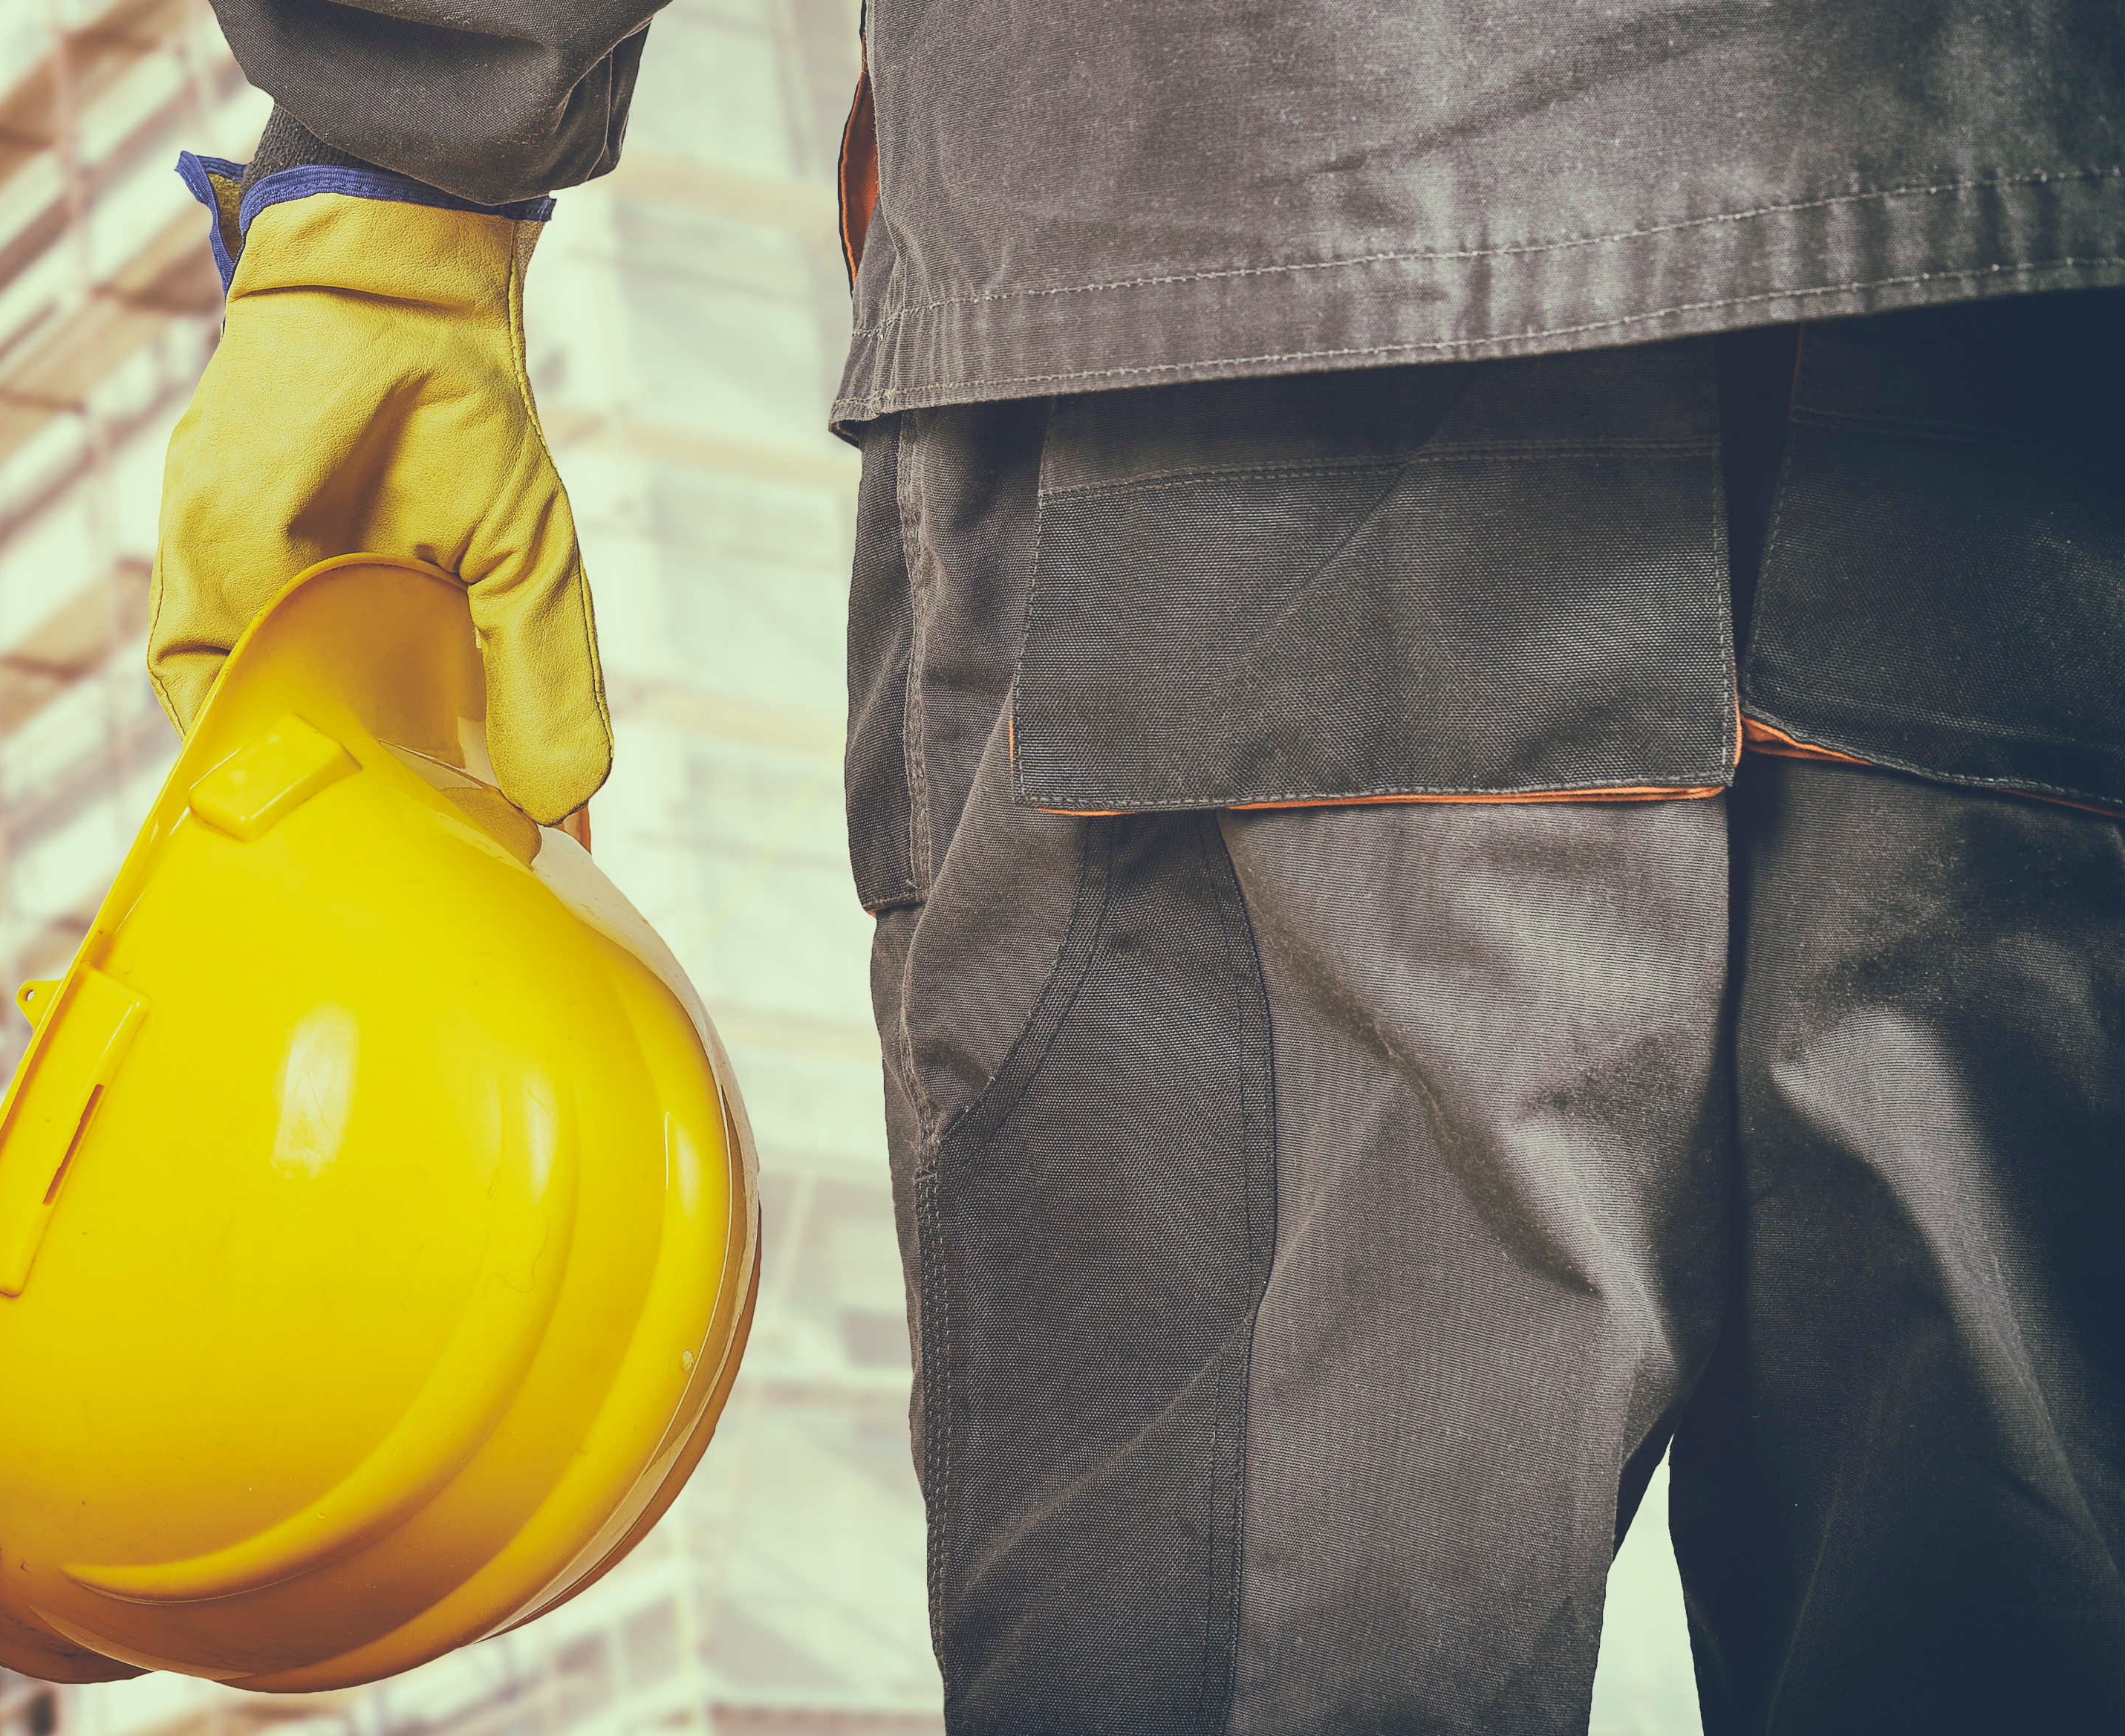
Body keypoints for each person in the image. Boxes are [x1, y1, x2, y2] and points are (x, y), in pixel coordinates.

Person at [144, 2, 2125, 1729]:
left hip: (1250, 233)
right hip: (2040, 292)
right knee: (2040, 1605)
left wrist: (395, 169)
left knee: (1259, 1647)